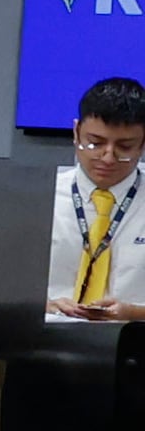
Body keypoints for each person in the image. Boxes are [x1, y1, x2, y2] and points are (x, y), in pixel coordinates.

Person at [51, 76, 145, 318]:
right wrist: (45, 305)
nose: (107, 158)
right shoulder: (39, 195)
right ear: (76, 132)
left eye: (124, 147)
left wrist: (134, 313)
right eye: (94, 143)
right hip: (45, 341)